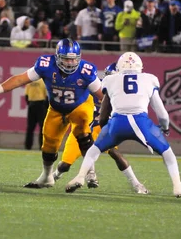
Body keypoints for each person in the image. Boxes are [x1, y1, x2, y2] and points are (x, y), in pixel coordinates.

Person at [0, 39, 104, 188]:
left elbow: (102, 96)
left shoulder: (86, 70)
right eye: (66, 59)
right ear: (58, 57)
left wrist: (108, 113)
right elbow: (20, 79)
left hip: (80, 105)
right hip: (56, 109)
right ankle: (47, 177)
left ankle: (91, 174)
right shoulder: (45, 64)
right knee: (48, 145)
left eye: (73, 59)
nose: (70, 63)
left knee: (83, 131)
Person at [64, 52, 181, 198]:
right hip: (140, 122)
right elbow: (162, 113)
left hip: (117, 122)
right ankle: (178, 186)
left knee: (94, 150)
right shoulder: (149, 79)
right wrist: (164, 128)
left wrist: (106, 130)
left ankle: (81, 176)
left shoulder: (110, 80)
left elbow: (104, 112)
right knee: (167, 152)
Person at [53, 63, 147, 193]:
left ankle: (136, 184)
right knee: (65, 165)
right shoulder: (94, 87)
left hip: (100, 128)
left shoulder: (122, 93)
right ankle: (54, 176)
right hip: (83, 129)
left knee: (115, 153)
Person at [24, 79, 48, 150]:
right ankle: (42, 146)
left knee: (30, 128)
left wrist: (30, 103)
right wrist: (45, 106)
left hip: (31, 104)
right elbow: (47, 95)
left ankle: (28, 146)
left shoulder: (30, 82)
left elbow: (26, 95)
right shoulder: (43, 81)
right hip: (41, 105)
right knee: (42, 127)